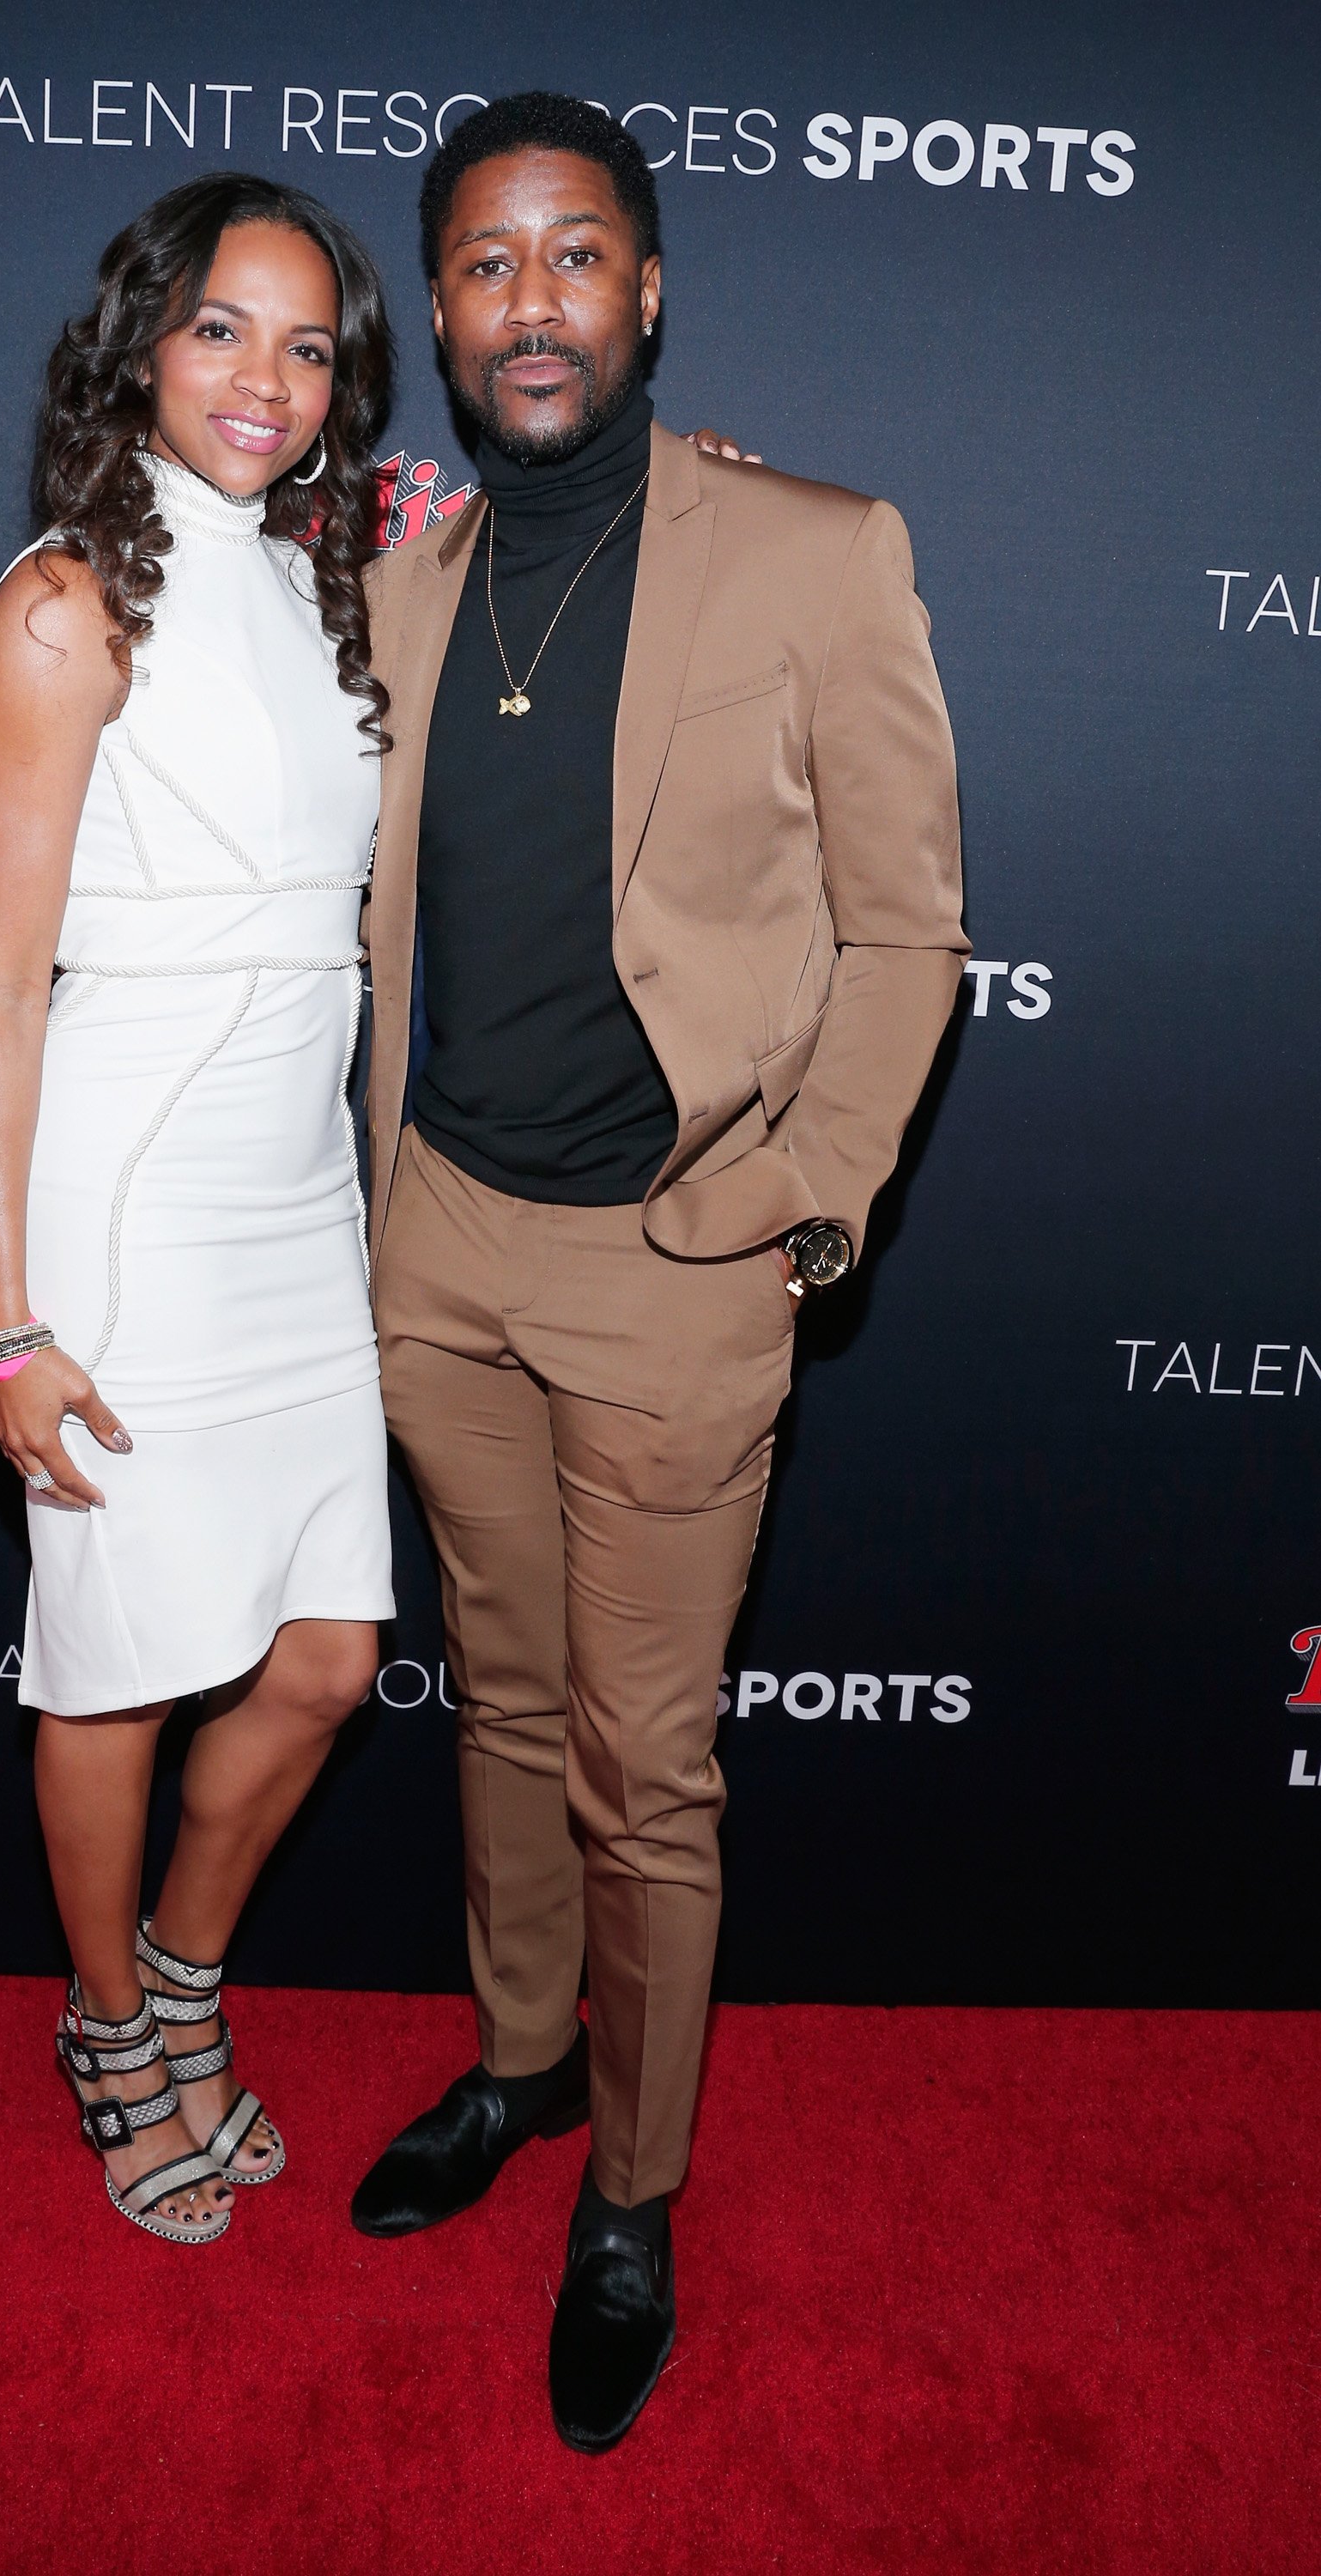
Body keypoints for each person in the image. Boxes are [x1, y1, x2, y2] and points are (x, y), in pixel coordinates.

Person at [353, 94, 967, 2448]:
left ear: (647, 288)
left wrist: (809, 1200)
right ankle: (518, 2064)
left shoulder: (813, 552)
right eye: (489, 266)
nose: (533, 302)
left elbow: (910, 921)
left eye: (575, 256)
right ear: (442, 312)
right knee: (500, 1704)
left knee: (645, 1766)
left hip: (676, 1259)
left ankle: (633, 2189)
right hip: (439, 1247)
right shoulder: (396, 574)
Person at [0, 173, 398, 2245]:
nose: (264, 380)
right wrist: (7, 1320)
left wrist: (709, 485)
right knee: (115, 1675)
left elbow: (527, 556)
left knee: (320, 1655)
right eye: (225, 328)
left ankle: (195, 1970)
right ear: (144, 336)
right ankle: (113, 2021)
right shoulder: (64, 601)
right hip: (125, 1199)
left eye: (307, 347)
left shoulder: (320, 589)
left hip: (299, 1206)